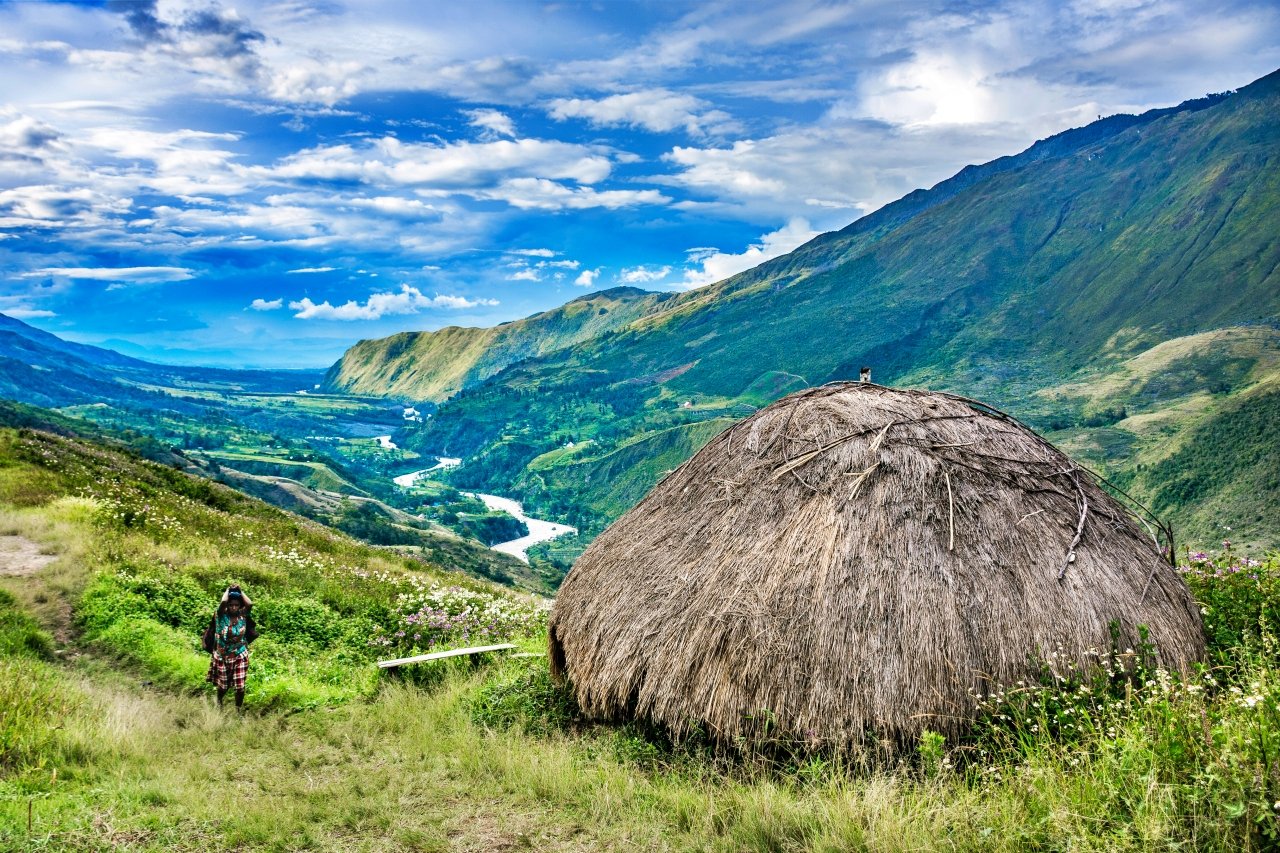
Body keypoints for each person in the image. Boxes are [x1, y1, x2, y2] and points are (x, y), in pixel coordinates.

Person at [204, 585, 258, 709]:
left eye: (236, 605)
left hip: (240, 654)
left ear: (240, 606)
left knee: (240, 687)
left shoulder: (242, 615)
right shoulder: (220, 616)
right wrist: (228, 590)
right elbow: (223, 601)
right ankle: (219, 701)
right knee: (223, 686)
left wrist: (240, 590)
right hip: (223, 657)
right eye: (231, 605)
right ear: (227, 606)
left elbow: (250, 604)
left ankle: (238, 710)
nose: (234, 607)